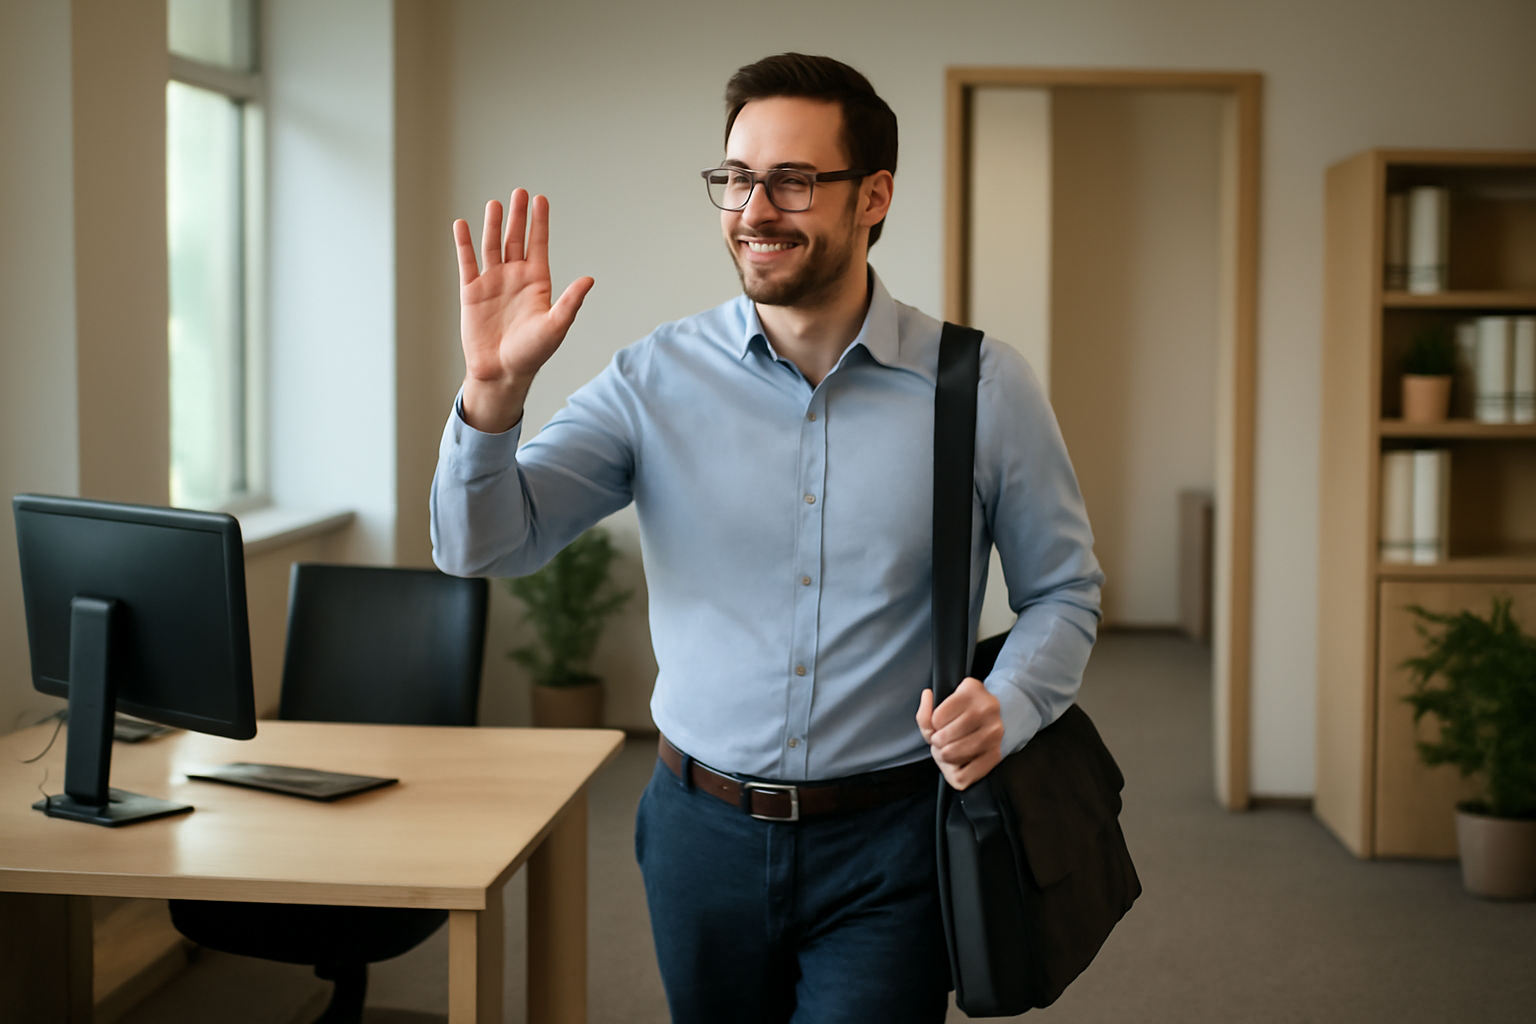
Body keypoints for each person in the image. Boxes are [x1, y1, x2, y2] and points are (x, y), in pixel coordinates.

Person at [431, 53, 1101, 1024]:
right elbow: (480, 546)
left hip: (894, 839)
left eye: (792, 180)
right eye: (737, 178)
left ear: (874, 195)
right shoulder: (654, 378)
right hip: (700, 834)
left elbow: (1064, 592)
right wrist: (493, 398)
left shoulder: (983, 386)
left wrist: (1011, 701)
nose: (754, 209)